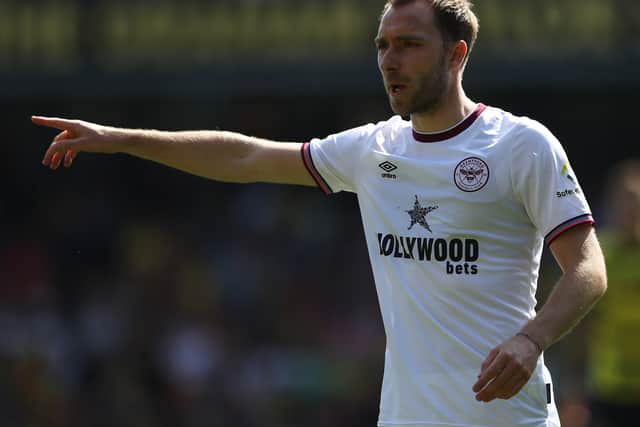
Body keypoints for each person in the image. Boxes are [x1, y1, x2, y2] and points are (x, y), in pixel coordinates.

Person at [32, 1, 607, 426]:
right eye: (382, 45)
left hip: (510, 420)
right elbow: (247, 155)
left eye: (408, 44)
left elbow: (588, 269)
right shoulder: (372, 149)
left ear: (457, 54)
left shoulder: (521, 145)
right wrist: (124, 136)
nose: (389, 60)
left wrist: (531, 341)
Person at [582, 160, 640, 427]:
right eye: (625, 200)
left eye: (636, 201)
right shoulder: (598, 254)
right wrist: (574, 386)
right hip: (606, 386)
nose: (631, 210)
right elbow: (583, 324)